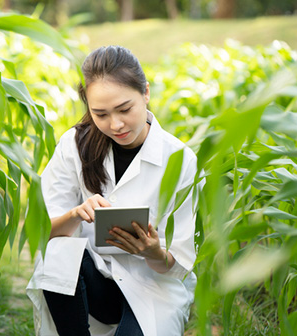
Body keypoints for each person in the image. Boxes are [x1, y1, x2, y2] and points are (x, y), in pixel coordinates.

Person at [26, 45, 200, 336]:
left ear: (145, 93)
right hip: (93, 285)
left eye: (125, 109)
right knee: (56, 250)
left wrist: (154, 252)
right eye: (101, 114)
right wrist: (75, 215)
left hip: (152, 287)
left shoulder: (180, 160)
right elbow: (41, 232)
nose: (116, 124)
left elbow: (178, 263)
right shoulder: (74, 145)